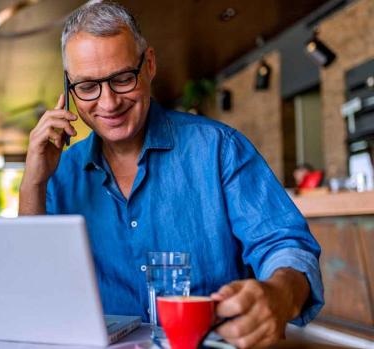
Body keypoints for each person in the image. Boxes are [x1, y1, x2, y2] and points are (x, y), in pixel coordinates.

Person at [18, 2, 323, 348]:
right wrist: (34, 181)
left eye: (122, 79)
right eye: (87, 87)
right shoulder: (59, 173)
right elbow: (34, 290)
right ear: (68, 88)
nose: (108, 103)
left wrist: (278, 294)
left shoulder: (218, 149)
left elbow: (285, 246)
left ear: (148, 65)